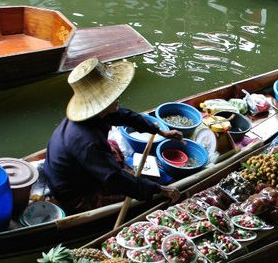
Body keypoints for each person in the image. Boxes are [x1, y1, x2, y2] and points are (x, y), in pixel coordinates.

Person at [44, 58, 184, 214]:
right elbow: (114, 180)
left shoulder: (98, 113)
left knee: (113, 147)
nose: (117, 97)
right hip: (75, 193)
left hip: (80, 167)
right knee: (135, 188)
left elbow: (124, 116)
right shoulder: (87, 140)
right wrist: (159, 189)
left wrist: (160, 132)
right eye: (110, 96)